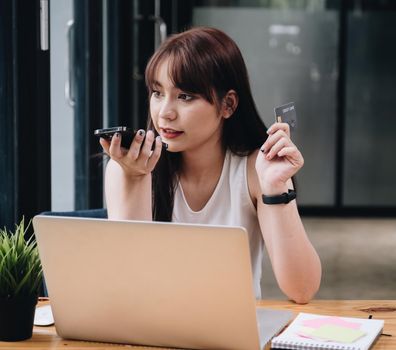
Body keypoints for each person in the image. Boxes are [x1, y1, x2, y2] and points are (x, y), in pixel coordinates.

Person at [100, 26, 321, 304]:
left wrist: (276, 187)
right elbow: (129, 288)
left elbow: (301, 289)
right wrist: (135, 180)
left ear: (227, 105)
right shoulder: (128, 168)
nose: (164, 113)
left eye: (185, 96)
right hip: (155, 332)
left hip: (234, 334)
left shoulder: (256, 170)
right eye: (157, 93)